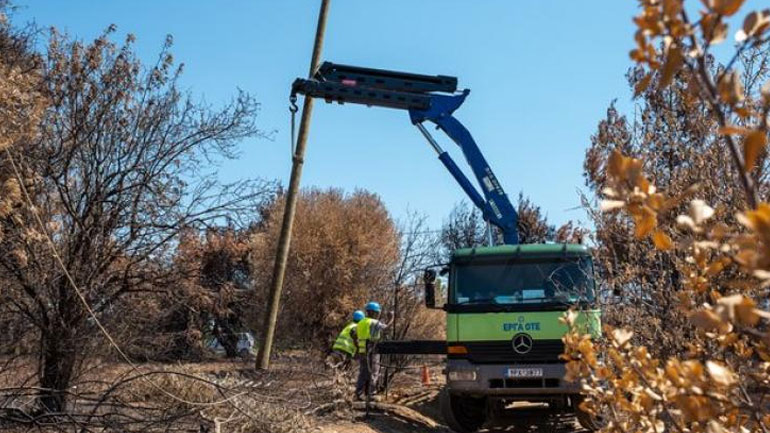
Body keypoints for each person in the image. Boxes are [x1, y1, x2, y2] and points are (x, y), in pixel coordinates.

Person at [351, 301, 392, 400]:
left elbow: (354, 335)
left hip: (362, 351)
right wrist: (391, 319)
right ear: (373, 312)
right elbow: (386, 329)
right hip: (372, 350)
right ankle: (371, 394)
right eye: (377, 312)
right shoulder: (373, 322)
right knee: (374, 372)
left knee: (363, 373)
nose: (378, 314)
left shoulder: (361, 322)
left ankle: (359, 393)